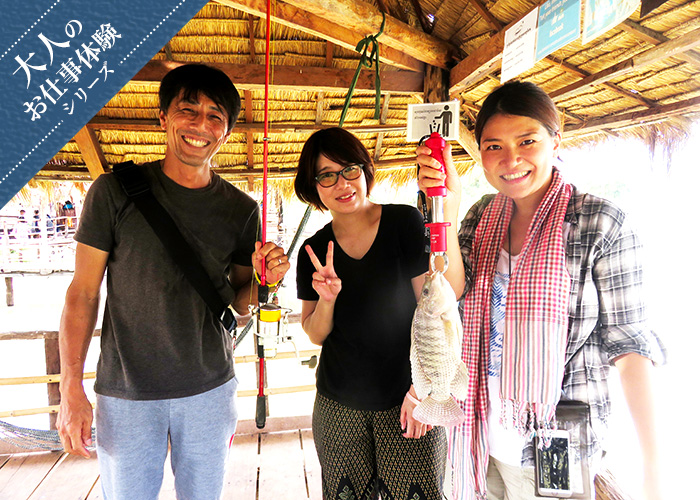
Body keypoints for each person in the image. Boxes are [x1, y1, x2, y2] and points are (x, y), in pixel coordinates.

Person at [416, 81, 666, 500]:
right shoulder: (481, 216)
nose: (510, 160)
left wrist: (654, 471)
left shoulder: (600, 223)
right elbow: (451, 290)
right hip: (482, 436)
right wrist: (451, 206)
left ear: (555, 140)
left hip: (558, 441)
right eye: (493, 146)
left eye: (527, 140)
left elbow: (631, 349)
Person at [56, 63, 290, 500]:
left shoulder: (242, 209)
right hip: (125, 394)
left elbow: (240, 306)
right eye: (188, 110)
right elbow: (82, 293)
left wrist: (268, 281)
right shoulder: (113, 192)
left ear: (226, 132)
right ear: (163, 118)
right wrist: (71, 387)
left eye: (215, 116)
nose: (201, 125)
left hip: (210, 389)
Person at [294, 127, 463, 500]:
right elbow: (315, 334)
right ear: (314, 185)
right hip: (338, 406)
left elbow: (439, 305)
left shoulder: (404, 223)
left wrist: (423, 393)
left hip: (407, 399)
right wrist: (328, 298)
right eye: (326, 175)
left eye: (350, 169)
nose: (342, 183)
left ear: (366, 170)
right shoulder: (314, 249)